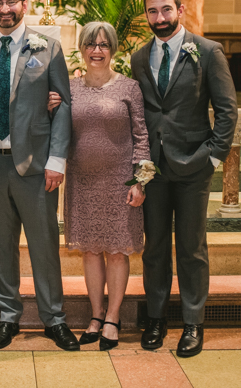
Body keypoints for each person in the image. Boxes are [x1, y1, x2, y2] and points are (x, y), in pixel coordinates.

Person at [0, 0, 78, 351]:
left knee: (44, 244)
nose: (5, 9)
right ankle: (9, 317)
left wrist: (57, 159)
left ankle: (55, 318)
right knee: (1, 246)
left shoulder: (48, 48)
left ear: (25, 4)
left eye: (12, 1)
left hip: (36, 165)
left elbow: (62, 106)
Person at [130, 0, 238, 358]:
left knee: (191, 248)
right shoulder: (139, 57)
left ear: (180, 9)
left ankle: (193, 322)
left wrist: (212, 157)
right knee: (155, 247)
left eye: (165, 10)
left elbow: (227, 111)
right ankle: (157, 319)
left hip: (194, 165)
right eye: (152, 12)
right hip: (153, 170)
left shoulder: (208, 52)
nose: (159, 19)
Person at [62, 21, 150, 351]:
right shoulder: (68, 87)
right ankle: (96, 314)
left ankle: (113, 316)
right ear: (82, 49)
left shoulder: (129, 87)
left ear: (113, 50)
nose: (96, 51)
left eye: (103, 45)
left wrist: (139, 182)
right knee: (89, 250)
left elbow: (141, 137)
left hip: (119, 182)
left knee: (116, 251)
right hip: (82, 180)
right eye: (90, 44)